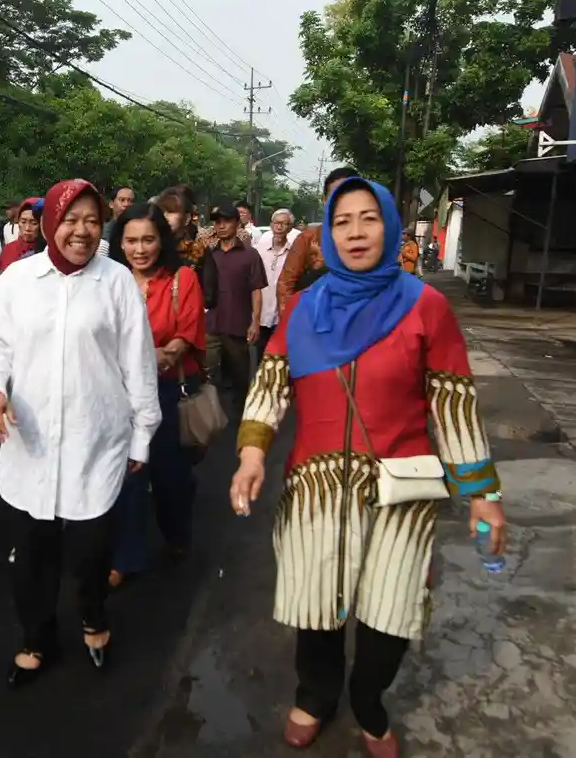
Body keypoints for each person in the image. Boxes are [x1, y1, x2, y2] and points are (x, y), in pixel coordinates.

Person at [230, 177, 507, 757]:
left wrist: (482, 493)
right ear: (326, 233)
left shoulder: (425, 306)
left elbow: (452, 400)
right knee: (318, 608)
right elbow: (272, 383)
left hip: (402, 491)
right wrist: (252, 453)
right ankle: (316, 695)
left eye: (367, 218)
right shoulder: (305, 307)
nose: (355, 232)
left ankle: (369, 699)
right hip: (316, 487)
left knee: (391, 613)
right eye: (341, 221)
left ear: (389, 225)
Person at [0, 179, 160, 688]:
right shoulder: (17, 278)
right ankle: (37, 638)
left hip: (95, 442)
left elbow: (138, 366)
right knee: (31, 555)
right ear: (52, 220)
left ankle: (94, 617)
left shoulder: (116, 282)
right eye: (71, 219)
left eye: (92, 220)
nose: (81, 230)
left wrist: (142, 436)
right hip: (29, 444)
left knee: (90, 549)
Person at [106, 203, 205, 588]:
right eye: (131, 240)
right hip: (117, 393)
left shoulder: (182, 279)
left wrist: (144, 356)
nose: (139, 249)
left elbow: (184, 339)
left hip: (165, 390)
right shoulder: (109, 280)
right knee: (127, 475)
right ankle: (125, 557)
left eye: (148, 239)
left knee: (169, 478)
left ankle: (177, 533)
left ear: (162, 240)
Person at [205, 203, 267, 414]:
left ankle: (242, 416)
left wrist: (255, 322)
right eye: (217, 222)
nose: (221, 226)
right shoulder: (209, 255)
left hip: (238, 324)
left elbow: (256, 290)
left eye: (226, 221)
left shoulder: (250, 255)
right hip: (211, 325)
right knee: (209, 375)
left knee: (241, 375)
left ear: (237, 223)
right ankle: (211, 418)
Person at [277, 166, 358, 314]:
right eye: (335, 196)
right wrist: (291, 326)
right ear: (325, 200)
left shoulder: (373, 241)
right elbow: (285, 286)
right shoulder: (307, 239)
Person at [254, 208, 300, 354]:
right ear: (271, 225)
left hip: (281, 315)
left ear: (290, 228)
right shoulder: (259, 250)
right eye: (277, 223)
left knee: (278, 357)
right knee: (259, 356)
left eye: (284, 224)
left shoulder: (294, 254)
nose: (279, 227)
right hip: (259, 314)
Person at [0, 197, 45, 271]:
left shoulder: (47, 252)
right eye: (23, 222)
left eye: (34, 223)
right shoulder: (8, 250)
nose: (27, 228)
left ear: (42, 224)